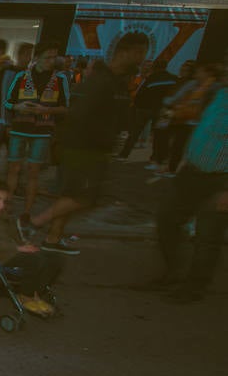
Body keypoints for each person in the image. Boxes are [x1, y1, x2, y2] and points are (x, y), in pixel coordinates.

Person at [18, 32, 150, 255]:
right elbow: (77, 116)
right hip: (84, 149)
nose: (141, 59)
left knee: (71, 196)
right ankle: (34, 224)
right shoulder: (100, 81)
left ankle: (52, 238)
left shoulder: (114, 81)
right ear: (125, 52)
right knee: (85, 198)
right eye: (139, 53)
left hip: (91, 149)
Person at [154, 85, 227, 303]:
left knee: (207, 236)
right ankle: (174, 272)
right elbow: (201, 127)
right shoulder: (218, 93)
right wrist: (185, 160)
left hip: (221, 180)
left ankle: (194, 287)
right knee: (167, 218)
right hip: (192, 172)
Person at [0, 179, 62, 316]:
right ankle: (25, 296)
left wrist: (23, 244)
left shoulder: (2, 215)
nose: (2, 205)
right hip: (1, 255)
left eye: (4, 201)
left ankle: (37, 291)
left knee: (55, 259)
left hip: (12, 250)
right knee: (35, 261)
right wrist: (18, 249)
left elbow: (14, 234)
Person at [4, 41, 70, 216]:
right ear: (38, 58)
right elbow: (7, 102)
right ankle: (7, 206)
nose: (51, 60)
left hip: (42, 131)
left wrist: (46, 110)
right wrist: (18, 107)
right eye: (47, 57)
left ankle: (27, 210)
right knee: (14, 168)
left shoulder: (60, 79)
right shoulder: (22, 76)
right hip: (20, 128)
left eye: (54, 57)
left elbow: (66, 107)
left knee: (34, 172)